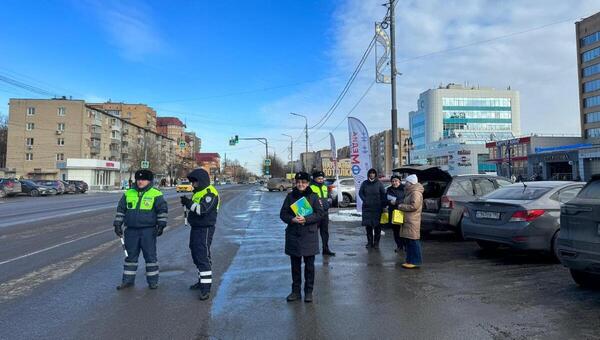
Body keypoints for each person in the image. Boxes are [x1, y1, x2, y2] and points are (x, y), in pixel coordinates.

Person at [113, 169, 168, 290]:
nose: (140, 182)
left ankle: (153, 282)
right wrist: (117, 224)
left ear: (149, 180)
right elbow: (121, 210)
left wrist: (161, 224)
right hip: (131, 231)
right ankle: (128, 281)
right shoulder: (128, 193)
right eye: (138, 179)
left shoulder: (156, 194)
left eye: (143, 179)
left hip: (148, 231)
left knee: (150, 257)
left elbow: (162, 210)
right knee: (130, 257)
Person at [280, 172, 325, 303]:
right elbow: (283, 214)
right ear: (296, 182)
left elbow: (319, 214)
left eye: (303, 182)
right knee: (295, 266)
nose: (301, 184)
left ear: (308, 183)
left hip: (309, 235)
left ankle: (308, 292)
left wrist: (306, 219)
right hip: (293, 235)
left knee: (309, 266)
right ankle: (295, 291)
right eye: (299, 182)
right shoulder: (290, 196)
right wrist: (292, 219)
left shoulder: (313, 196)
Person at [180, 168, 219, 301]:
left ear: (201, 181)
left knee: (202, 256)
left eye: (194, 182)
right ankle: (201, 280)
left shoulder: (210, 193)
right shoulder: (199, 192)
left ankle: (205, 288)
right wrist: (188, 203)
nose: (193, 185)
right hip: (196, 228)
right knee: (196, 254)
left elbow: (203, 210)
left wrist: (188, 203)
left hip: (205, 228)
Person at [397, 174, 424, 269]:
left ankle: (416, 261)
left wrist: (401, 206)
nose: (405, 184)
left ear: (411, 183)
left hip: (412, 220)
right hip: (409, 220)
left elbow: (414, 206)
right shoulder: (410, 192)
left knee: (413, 241)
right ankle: (410, 260)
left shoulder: (415, 193)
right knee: (409, 241)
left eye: (407, 182)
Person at [359, 168, 386, 249]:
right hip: (367, 208)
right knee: (368, 227)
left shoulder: (379, 183)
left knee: (377, 227)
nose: (372, 174)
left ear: (375, 174)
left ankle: (376, 243)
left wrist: (383, 205)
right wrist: (365, 200)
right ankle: (369, 243)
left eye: (373, 173)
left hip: (377, 208)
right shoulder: (365, 183)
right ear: (368, 174)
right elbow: (360, 193)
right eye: (370, 173)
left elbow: (383, 194)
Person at [310, 171, 336, 256]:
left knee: (325, 232)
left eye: (322, 178)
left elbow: (327, 196)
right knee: (313, 232)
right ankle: (311, 250)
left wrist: (329, 202)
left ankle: (326, 249)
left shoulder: (325, 186)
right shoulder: (310, 187)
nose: (321, 180)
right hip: (315, 213)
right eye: (319, 178)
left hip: (324, 213)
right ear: (314, 179)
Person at [386, 175, 405, 253]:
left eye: (396, 181)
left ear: (399, 181)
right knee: (396, 231)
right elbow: (385, 199)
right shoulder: (389, 189)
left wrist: (397, 202)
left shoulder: (404, 189)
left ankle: (406, 246)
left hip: (402, 211)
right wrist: (389, 202)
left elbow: (406, 199)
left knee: (404, 230)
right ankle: (399, 246)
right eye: (393, 181)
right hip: (393, 212)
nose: (394, 183)